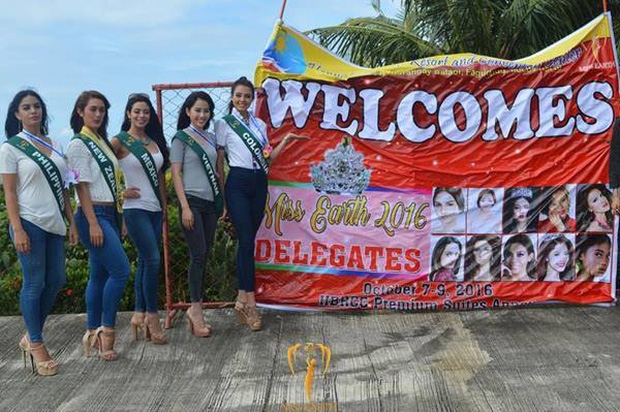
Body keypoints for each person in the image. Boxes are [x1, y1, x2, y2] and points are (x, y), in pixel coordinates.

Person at [215, 76, 306, 331]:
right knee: (245, 240)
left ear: (252, 99)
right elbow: (220, 165)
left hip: (259, 182)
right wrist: (222, 199)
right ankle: (250, 303)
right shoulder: (223, 124)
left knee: (248, 242)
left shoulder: (260, 124)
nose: (243, 99)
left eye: (247, 96)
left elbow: (268, 160)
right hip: (238, 183)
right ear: (232, 97)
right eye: (238, 95)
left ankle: (241, 298)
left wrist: (286, 140)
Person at [0, 90, 78, 376]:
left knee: (56, 280)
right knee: (34, 283)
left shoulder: (56, 145)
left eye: (37, 106)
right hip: (29, 222)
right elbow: (9, 192)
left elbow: (66, 188)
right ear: (17, 114)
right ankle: (36, 343)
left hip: (55, 222)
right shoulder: (11, 148)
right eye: (26, 107)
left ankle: (29, 335)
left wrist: (71, 221)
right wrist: (17, 228)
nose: (33, 111)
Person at [67, 91, 130, 361]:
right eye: (93, 109)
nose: (98, 114)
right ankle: (107, 332)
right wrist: (92, 223)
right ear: (80, 111)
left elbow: (114, 182)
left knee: (99, 276)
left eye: (102, 110)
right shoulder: (79, 144)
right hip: (94, 213)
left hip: (110, 212)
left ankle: (92, 331)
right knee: (121, 271)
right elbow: (81, 187)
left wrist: (121, 216)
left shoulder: (101, 141)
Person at [111, 94, 169, 344]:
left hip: (155, 208)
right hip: (135, 209)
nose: (141, 116)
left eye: (145, 112)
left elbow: (159, 176)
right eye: (137, 111)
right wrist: (118, 192)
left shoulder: (154, 141)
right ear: (128, 114)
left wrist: (165, 207)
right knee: (153, 260)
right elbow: (99, 168)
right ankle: (153, 316)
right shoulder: (119, 141)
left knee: (146, 262)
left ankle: (138, 313)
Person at [171, 91, 221, 338]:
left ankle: (196, 308)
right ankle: (195, 309)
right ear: (188, 112)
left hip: (210, 203)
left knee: (205, 253)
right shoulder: (181, 139)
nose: (202, 114)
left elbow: (218, 171)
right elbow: (176, 174)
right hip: (191, 202)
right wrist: (185, 207)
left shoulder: (212, 138)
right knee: (198, 254)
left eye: (206, 111)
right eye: (198, 110)